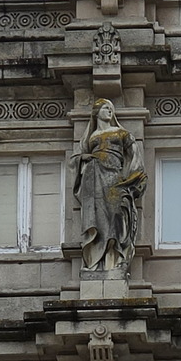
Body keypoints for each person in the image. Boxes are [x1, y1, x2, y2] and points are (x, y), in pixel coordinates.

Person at [70, 99, 145, 273]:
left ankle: (116, 257)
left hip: (114, 178)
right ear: (96, 112)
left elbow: (134, 154)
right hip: (94, 178)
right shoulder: (91, 136)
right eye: (105, 108)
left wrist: (133, 177)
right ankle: (96, 260)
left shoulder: (120, 132)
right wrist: (84, 159)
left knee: (117, 214)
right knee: (97, 217)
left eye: (111, 109)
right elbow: (75, 159)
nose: (109, 111)